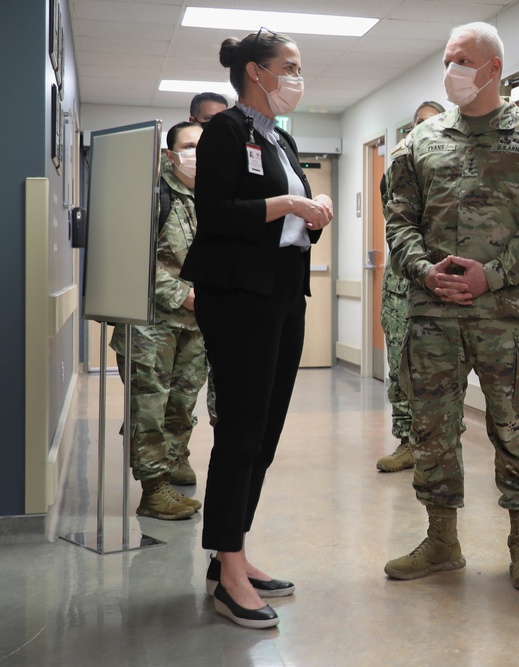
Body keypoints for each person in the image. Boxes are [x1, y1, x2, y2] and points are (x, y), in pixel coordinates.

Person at [382, 22, 519, 591]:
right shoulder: (418, 143)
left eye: (462, 60)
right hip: (432, 315)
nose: (451, 70)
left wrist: (491, 276)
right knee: (433, 430)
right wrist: (424, 269)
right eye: (447, 59)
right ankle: (441, 541)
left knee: (515, 430)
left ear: (493, 69)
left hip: (506, 316)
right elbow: (399, 223)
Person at [180, 28, 333, 629]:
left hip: (282, 291)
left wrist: (311, 213)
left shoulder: (281, 138)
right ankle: (229, 572)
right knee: (241, 429)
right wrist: (292, 206)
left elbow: (286, 217)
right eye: (288, 66)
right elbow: (218, 215)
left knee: (264, 431)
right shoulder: (224, 131)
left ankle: (231, 551)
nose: (296, 77)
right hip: (238, 296)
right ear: (255, 71)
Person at [110, 121, 209, 519]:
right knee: (149, 407)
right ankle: (152, 491)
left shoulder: (209, 197)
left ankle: (168, 472)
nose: (196, 155)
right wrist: (182, 294)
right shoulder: (153, 195)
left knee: (181, 406)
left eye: (204, 147)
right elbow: (132, 255)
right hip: (151, 324)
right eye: (189, 146)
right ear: (170, 154)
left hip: (195, 326)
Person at [375, 100, 445, 473]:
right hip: (401, 284)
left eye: (432, 123)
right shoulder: (399, 168)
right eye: (418, 123)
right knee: (398, 365)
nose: (423, 129)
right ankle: (406, 441)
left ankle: (435, 445)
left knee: (436, 370)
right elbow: (395, 215)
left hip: (440, 284)